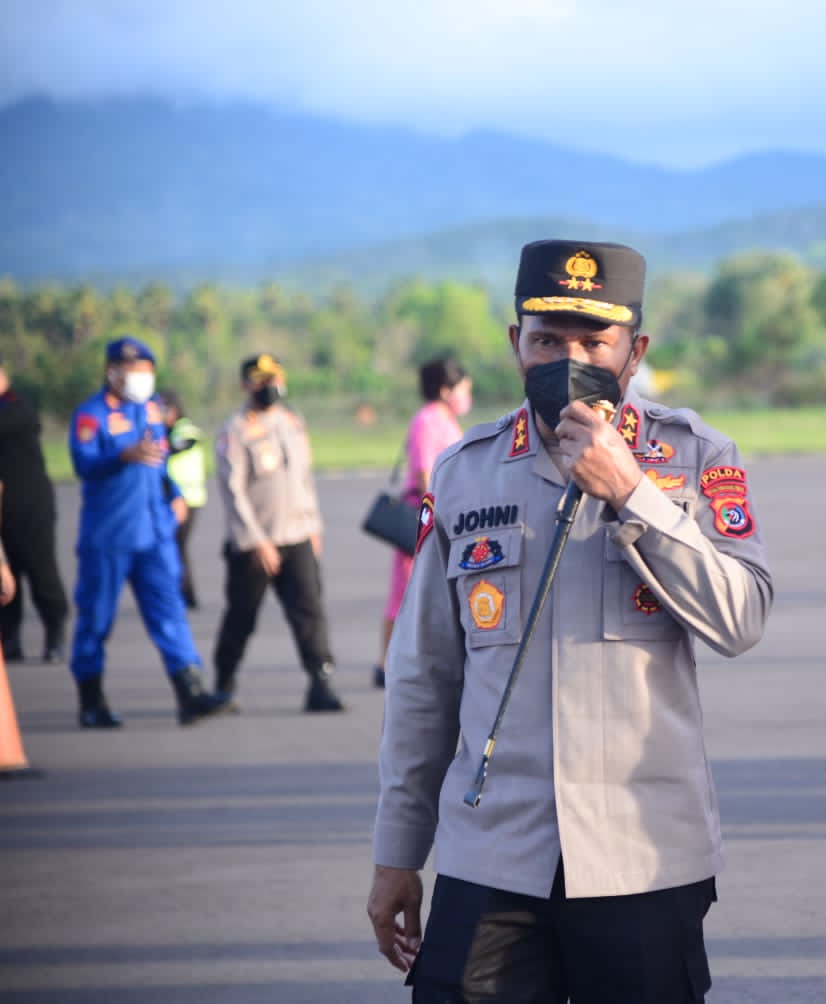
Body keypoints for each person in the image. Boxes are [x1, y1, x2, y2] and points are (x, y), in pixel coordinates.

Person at [368, 239, 773, 1003]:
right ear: (514, 343)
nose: (569, 358)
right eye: (548, 339)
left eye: (595, 340)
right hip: (492, 854)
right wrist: (397, 851)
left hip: (641, 855)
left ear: (635, 349)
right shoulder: (466, 471)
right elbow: (424, 680)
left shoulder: (692, 459)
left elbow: (741, 617)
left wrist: (632, 494)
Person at [66, 336, 231, 728]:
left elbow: (158, 466)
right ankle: (91, 700)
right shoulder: (92, 415)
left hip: (153, 532)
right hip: (110, 534)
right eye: (133, 371)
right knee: (96, 618)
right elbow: (82, 463)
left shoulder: (151, 412)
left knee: (170, 611)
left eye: (147, 372)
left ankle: (190, 692)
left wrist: (174, 494)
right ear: (112, 372)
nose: (141, 379)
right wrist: (120, 455)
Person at [211, 354, 344, 713]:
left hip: (297, 535)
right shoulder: (235, 430)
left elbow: (303, 479)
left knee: (310, 611)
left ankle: (320, 681)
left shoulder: (291, 422)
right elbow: (232, 491)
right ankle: (223, 683)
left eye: (273, 378)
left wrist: (313, 524)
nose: (269, 386)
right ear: (245, 384)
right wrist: (256, 541)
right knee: (241, 615)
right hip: (256, 544)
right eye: (260, 379)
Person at [373, 356, 470, 689]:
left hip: (443, 510)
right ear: (445, 390)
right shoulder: (427, 420)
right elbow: (425, 472)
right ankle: (384, 663)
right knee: (404, 589)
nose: (466, 395)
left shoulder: (447, 419)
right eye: (462, 388)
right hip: (424, 513)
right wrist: (440, 513)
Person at [0, 354, 69, 663]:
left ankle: (55, 635)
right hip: (3, 513)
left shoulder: (17, 407)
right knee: (5, 580)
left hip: (32, 508)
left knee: (43, 576)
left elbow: (16, 423)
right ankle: (10, 639)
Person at [158, 389, 209, 610]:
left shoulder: (185, 429)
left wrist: (157, 447)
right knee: (175, 546)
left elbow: (182, 444)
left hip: (188, 499)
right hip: (173, 499)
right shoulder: (165, 432)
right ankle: (181, 593)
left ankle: (186, 594)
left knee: (178, 546)